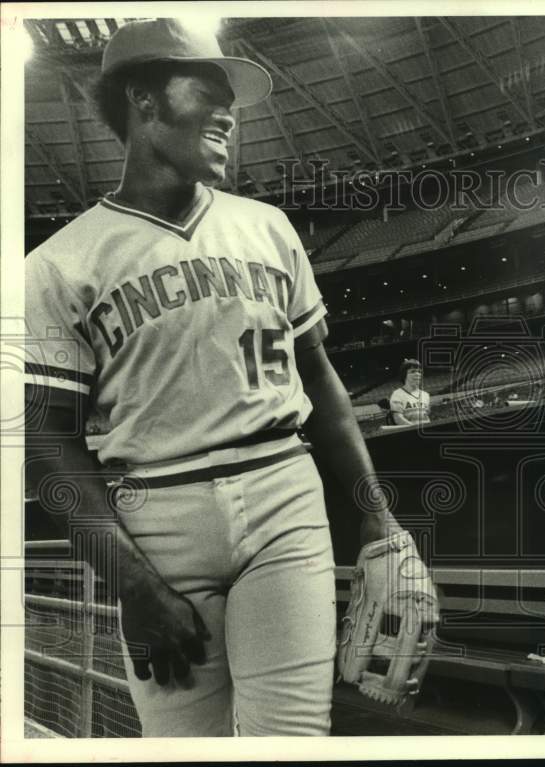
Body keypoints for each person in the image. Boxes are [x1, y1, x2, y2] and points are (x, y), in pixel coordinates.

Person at [24, 19, 403, 737]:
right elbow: (47, 444)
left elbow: (321, 388)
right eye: (208, 87)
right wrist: (129, 583)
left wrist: (377, 515)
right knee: (181, 748)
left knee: (292, 742)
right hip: (155, 518)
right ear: (143, 99)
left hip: (280, 493)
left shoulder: (267, 226)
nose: (229, 109)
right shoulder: (56, 264)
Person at [389, 359, 431, 426]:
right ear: (404, 375)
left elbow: (427, 416)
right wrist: (414, 429)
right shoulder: (397, 394)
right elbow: (398, 418)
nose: (417, 374)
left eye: (419, 372)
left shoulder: (425, 395)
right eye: (412, 371)